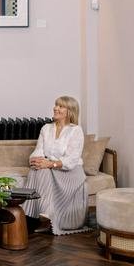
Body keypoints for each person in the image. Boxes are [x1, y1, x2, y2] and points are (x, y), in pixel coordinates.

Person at [21, 95, 88, 235]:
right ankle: (41, 214)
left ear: (70, 111)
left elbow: (71, 160)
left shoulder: (76, 130)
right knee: (37, 169)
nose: (55, 108)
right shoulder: (46, 128)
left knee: (42, 170)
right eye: (56, 105)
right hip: (51, 168)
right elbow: (38, 150)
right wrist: (36, 161)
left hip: (70, 173)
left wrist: (50, 163)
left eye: (60, 106)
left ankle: (30, 215)